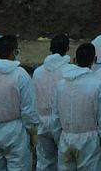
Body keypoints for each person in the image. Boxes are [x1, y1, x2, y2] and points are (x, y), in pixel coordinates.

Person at [0, 34, 40, 171]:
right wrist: (32, 131)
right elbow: (28, 110)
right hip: (15, 131)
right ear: (14, 51)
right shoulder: (21, 76)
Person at [55, 43, 101, 171]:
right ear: (95, 60)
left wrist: (58, 137)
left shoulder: (61, 85)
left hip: (65, 138)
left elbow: (56, 116)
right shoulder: (98, 86)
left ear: (75, 60)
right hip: (89, 142)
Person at [34, 34, 72, 171]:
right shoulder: (69, 72)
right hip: (62, 123)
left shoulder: (38, 72)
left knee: (44, 162)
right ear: (67, 48)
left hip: (41, 121)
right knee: (64, 163)